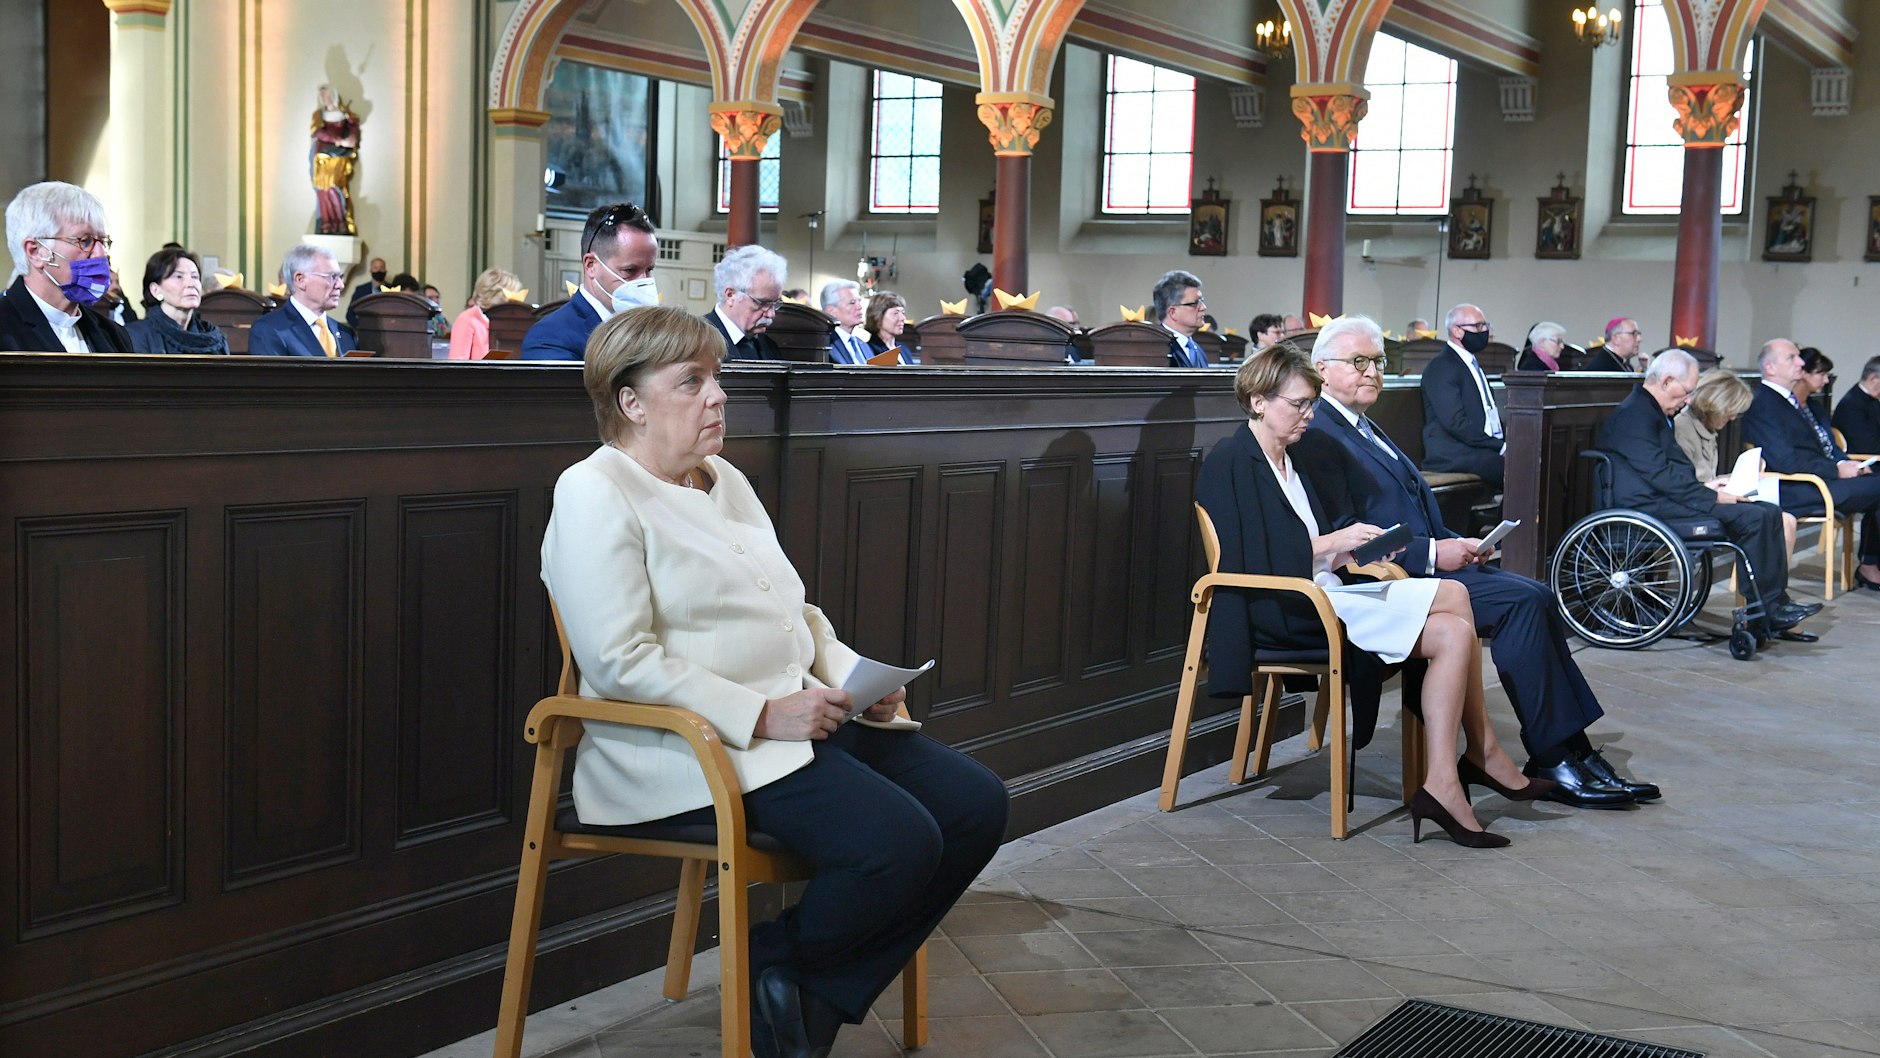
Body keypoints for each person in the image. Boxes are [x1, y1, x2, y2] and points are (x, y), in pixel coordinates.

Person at [541, 305, 1008, 1058]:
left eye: (716, 377)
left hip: (793, 722)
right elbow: (618, 659)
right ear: (630, 402)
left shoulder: (720, 478)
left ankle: (793, 979)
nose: (717, 396)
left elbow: (797, 611)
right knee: (897, 842)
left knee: (976, 805)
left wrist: (858, 680)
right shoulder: (595, 491)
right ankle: (790, 984)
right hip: (686, 748)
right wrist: (761, 713)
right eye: (691, 381)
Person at [1199, 345, 1551, 847]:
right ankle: (1476, 760)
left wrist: (1357, 546)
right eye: (1298, 404)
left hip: (1325, 593)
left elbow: (1310, 551)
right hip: (1283, 608)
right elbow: (1248, 562)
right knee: (1453, 606)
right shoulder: (1231, 460)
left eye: (1311, 405)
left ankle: (1447, 779)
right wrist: (1333, 543)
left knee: (1454, 623)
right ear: (1258, 400)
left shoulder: (1291, 459)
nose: (1309, 415)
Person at [1298, 316, 1652, 807]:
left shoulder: (1361, 425)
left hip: (1425, 566)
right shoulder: (1320, 434)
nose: (1372, 372)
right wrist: (1430, 552)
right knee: (1522, 603)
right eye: (1358, 362)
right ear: (1321, 367)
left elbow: (1408, 508)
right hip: (1382, 584)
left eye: (1378, 362)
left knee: (1536, 594)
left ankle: (1573, 750)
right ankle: (1554, 754)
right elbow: (1345, 538)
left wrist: (1456, 542)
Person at [1597, 350, 1821, 639]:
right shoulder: (1635, 415)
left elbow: (1669, 472)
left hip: (1661, 499)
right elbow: (1660, 475)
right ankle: (1765, 608)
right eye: (1687, 391)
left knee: (1768, 511)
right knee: (1752, 516)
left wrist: (1707, 489)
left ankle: (1774, 604)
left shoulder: (1649, 410)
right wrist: (1711, 497)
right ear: (1666, 381)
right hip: (1646, 506)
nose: (1689, 400)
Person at [1743, 338, 1880, 591]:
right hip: (1796, 487)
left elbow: (1823, 447)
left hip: (1819, 480)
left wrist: (1847, 464)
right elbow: (1785, 461)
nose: (1800, 362)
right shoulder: (1763, 403)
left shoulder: (1793, 402)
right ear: (1771, 368)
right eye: (1792, 358)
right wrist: (1837, 469)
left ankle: (1871, 564)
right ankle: (1870, 566)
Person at [1675, 368, 1798, 566]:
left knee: (1787, 520)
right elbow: (1688, 483)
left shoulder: (1706, 428)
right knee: (1779, 522)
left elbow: (1707, 478)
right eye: (1730, 411)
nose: (1732, 417)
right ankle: (1764, 591)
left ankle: (1774, 590)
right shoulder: (1683, 427)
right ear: (1715, 405)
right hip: (1696, 503)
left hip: (1710, 496)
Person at [0, 180, 134, 353]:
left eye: (103, 241)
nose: (101, 255)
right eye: (85, 241)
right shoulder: (5, 331)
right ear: (36, 252)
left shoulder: (113, 335)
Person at [523, 202, 659, 360]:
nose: (643, 281)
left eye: (649, 270)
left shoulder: (655, 333)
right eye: (629, 270)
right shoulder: (549, 337)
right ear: (591, 265)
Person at [1420, 303, 1505, 489]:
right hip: (1452, 452)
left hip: (1477, 447)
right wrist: (1498, 445)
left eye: (1485, 325)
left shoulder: (1470, 363)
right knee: (1513, 468)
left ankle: (1510, 518)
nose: (1484, 331)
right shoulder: (1441, 367)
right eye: (1477, 326)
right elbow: (1455, 423)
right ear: (1457, 331)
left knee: (1525, 463)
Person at [244, 244, 357, 357]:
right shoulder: (269, 330)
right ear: (300, 280)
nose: (340, 285)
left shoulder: (345, 333)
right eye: (332, 277)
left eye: (340, 277)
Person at [127, 246, 230, 356]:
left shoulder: (213, 338)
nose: (191, 284)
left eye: (195, 277)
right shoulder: (135, 335)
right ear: (155, 290)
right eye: (179, 277)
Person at [702, 245, 787, 362]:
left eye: (775, 303)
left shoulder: (768, 346)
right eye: (762, 303)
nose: (771, 314)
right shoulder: (697, 341)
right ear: (731, 295)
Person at [447, 267, 523, 360]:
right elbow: (456, 365)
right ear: (496, 294)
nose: (515, 300)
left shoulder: (508, 321)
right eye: (513, 295)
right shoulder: (467, 319)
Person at [1152, 269, 1210, 368]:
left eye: (1202, 301)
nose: (1203, 307)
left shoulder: (1198, 350)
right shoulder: (1157, 350)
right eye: (1195, 303)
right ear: (1173, 312)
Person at [1832, 355, 1880, 455]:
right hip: (1864, 464)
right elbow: (1868, 447)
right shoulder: (1851, 405)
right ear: (1873, 378)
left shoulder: (1870, 399)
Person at [820, 280, 872, 364]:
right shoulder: (825, 345)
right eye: (852, 303)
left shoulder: (863, 345)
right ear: (831, 311)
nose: (859, 307)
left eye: (859, 301)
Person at [865, 291, 913, 364]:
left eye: (903, 313)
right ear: (878, 316)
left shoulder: (904, 349)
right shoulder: (869, 350)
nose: (902, 318)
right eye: (895, 313)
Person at [345, 256, 389, 329]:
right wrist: (362, 327)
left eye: (381, 268)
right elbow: (350, 315)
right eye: (375, 268)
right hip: (366, 332)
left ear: (385, 270)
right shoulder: (361, 290)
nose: (379, 270)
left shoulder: (393, 289)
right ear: (371, 270)